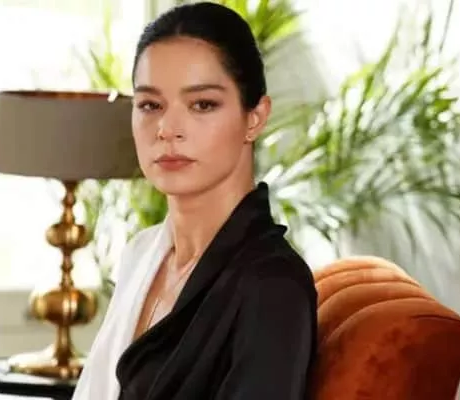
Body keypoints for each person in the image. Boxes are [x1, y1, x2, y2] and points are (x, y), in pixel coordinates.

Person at [72, 2, 318, 399]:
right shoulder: (140, 254)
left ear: (255, 117)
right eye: (150, 105)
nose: (167, 129)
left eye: (202, 104)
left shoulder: (273, 288)